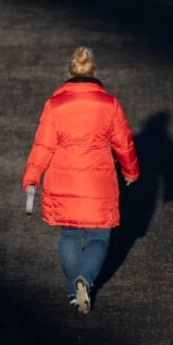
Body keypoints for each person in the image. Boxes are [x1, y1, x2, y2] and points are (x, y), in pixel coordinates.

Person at [22, 47, 139, 314]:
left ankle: (73, 293)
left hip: (62, 181)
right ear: (94, 73)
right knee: (99, 237)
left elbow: (43, 146)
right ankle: (84, 280)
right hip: (98, 184)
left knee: (69, 235)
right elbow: (124, 143)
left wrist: (32, 177)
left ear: (69, 73)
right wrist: (131, 172)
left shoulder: (54, 105)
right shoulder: (109, 104)